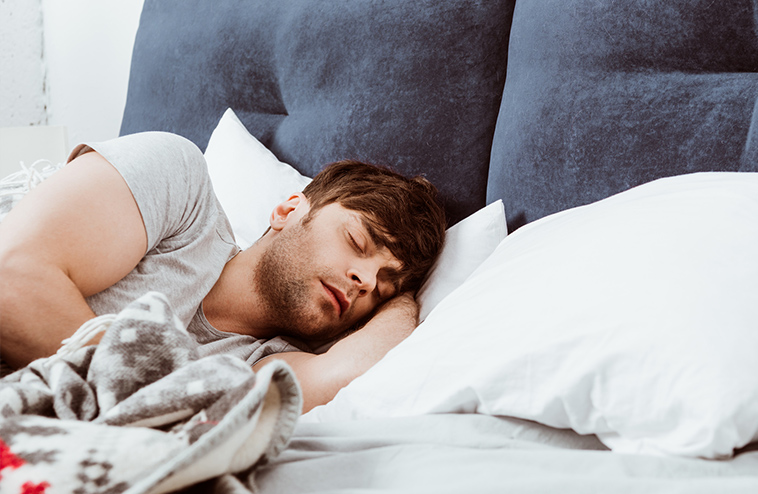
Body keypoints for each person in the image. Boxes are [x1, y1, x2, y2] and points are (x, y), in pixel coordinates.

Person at [0, 132, 446, 412]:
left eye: (380, 289)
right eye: (357, 241)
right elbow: (12, 277)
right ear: (288, 210)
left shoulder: (262, 365)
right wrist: (158, 411)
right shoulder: (181, 189)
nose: (366, 281)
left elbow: (339, 376)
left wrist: (404, 295)